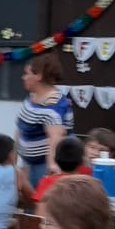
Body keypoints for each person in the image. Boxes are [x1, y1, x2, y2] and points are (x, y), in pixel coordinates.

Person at [16, 55, 74, 189]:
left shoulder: (54, 105)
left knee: (40, 199)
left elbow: (56, 137)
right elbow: (21, 128)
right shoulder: (32, 97)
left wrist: (51, 165)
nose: (23, 77)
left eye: (26, 73)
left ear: (39, 76)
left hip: (42, 167)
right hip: (28, 163)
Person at [33, 135, 115, 202]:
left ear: (55, 160)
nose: (95, 153)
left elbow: (37, 205)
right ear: (82, 159)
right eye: (92, 147)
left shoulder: (46, 181)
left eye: (101, 150)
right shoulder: (91, 182)